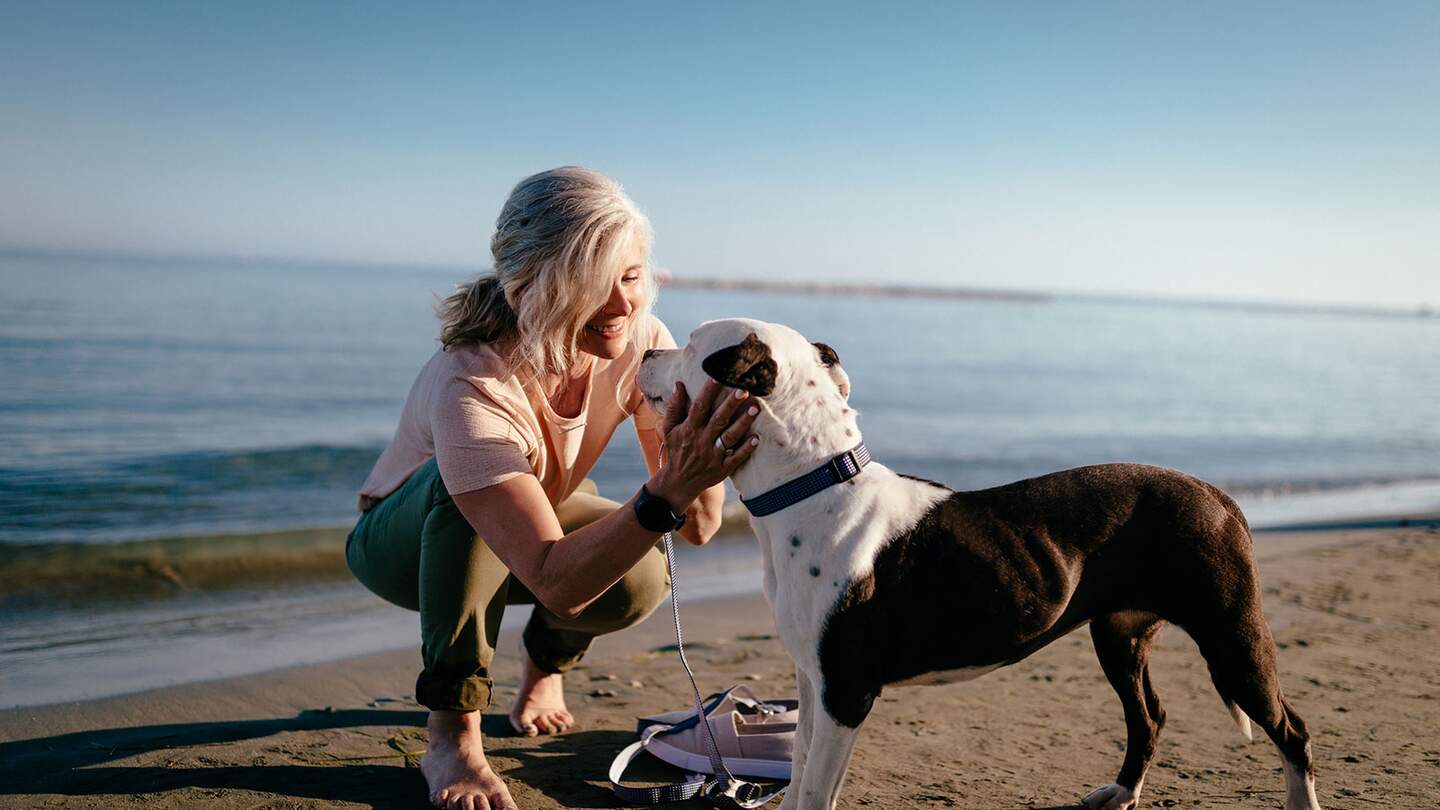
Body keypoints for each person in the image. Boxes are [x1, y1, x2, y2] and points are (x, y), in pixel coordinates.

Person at [345, 166, 760, 810]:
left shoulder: (639, 337)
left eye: (631, 278)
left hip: (526, 519)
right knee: (463, 499)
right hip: (402, 547)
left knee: (646, 572)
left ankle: (543, 671)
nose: (623, 306)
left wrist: (703, 415)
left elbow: (700, 525)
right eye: (594, 288)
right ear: (527, 286)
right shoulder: (473, 381)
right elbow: (557, 578)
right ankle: (451, 735)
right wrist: (666, 494)